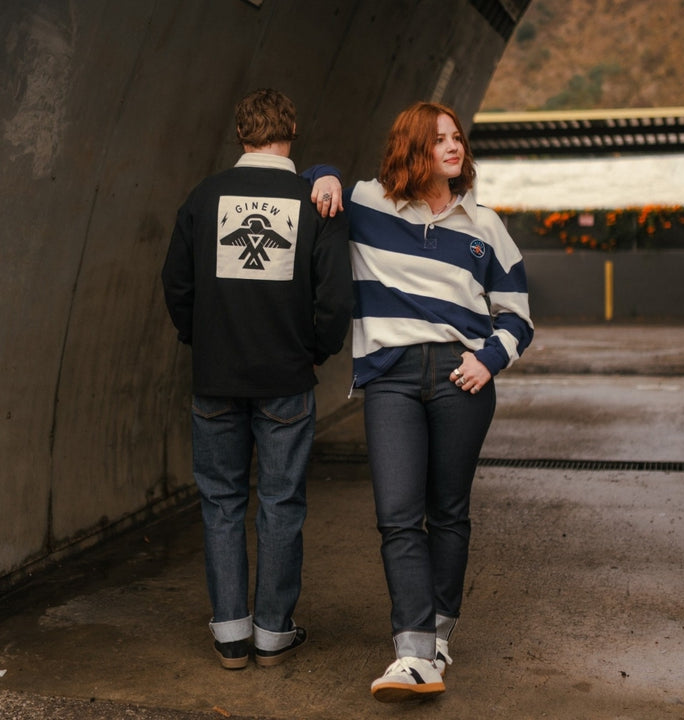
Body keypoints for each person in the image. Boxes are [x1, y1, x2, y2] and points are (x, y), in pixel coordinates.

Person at [310, 101, 533, 702]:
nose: (454, 147)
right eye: (439, 140)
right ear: (413, 150)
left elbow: (517, 317)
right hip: (391, 377)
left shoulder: (485, 225)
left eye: (457, 138)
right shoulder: (368, 204)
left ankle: (437, 633)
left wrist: (487, 360)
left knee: (448, 511)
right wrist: (324, 175)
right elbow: (312, 179)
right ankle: (413, 654)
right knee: (398, 514)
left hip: (463, 381)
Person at [162, 88, 353, 670]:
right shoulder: (312, 203)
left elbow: (177, 286)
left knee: (221, 501)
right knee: (280, 502)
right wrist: (314, 353)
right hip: (285, 380)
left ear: (240, 133)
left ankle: (229, 636)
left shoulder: (203, 197)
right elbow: (334, 300)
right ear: (290, 129)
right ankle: (273, 631)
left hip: (216, 379)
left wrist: (206, 342)